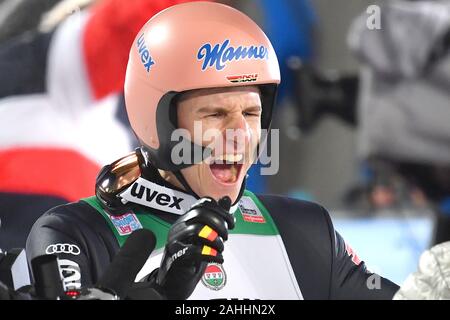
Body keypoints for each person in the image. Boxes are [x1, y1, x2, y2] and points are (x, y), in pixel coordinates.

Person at [26, 1, 399, 299]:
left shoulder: (305, 229)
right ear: (158, 124)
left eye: (251, 113)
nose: (238, 134)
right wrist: (161, 293)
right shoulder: (73, 233)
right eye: (215, 114)